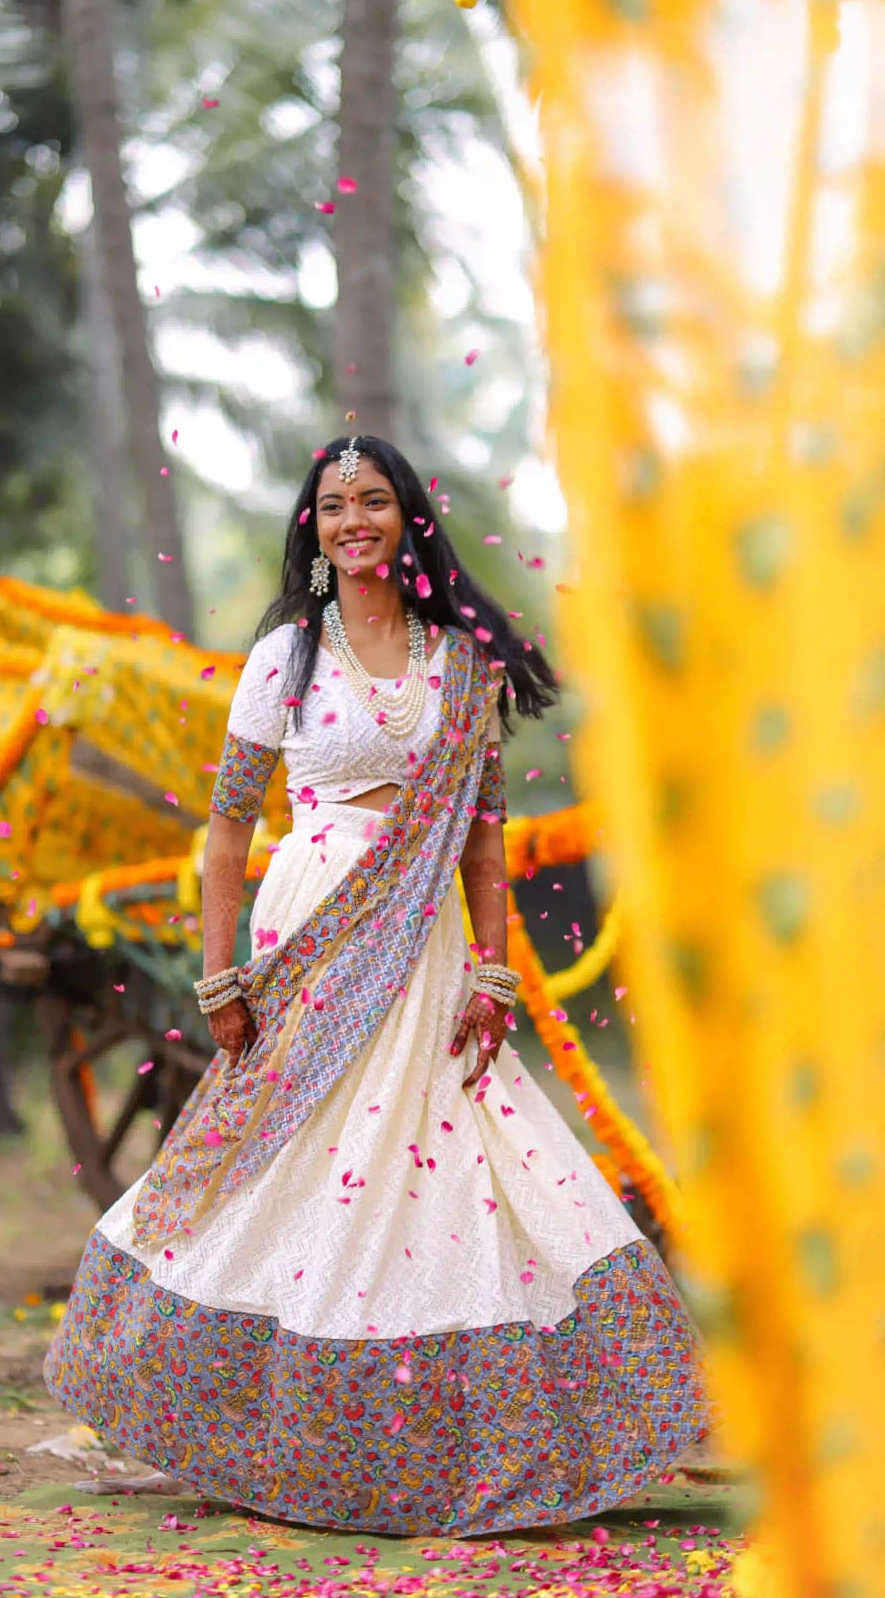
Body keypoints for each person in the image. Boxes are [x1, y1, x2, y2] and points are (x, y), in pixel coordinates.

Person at [44, 433, 712, 1537]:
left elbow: (485, 841)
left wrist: (494, 969)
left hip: (430, 941)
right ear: (313, 528)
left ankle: (459, 1440)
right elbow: (223, 829)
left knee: (451, 1154)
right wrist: (222, 978)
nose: (354, 518)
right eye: (334, 504)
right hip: (313, 924)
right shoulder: (286, 658)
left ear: (409, 517)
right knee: (308, 1157)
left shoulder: (460, 662)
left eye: (374, 500)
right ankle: (270, 1422)